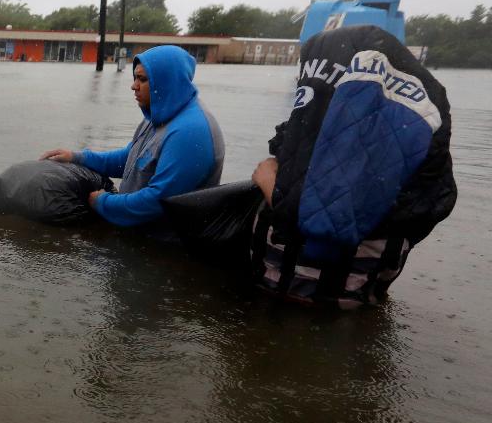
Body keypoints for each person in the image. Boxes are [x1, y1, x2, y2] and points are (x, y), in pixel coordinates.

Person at [248, 25, 456, 307]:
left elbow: (328, 223)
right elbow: (432, 200)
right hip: (364, 285)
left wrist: (269, 182)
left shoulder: (359, 131)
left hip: (310, 293)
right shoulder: (417, 114)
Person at [40, 44, 224, 227]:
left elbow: (158, 201)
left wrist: (102, 202)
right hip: (137, 231)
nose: (133, 86)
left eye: (142, 79)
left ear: (166, 82)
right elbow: (129, 160)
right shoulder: (159, 115)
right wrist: (78, 157)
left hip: (163, 241)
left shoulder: (190, 132)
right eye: (135, 77)